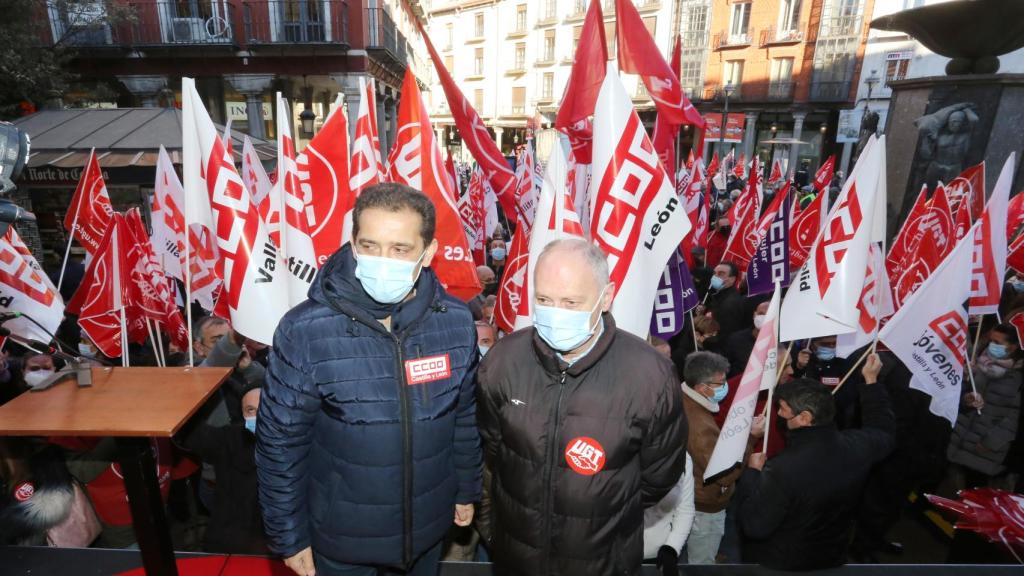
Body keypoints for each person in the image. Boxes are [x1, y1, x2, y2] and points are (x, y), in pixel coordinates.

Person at [257, 183, 481, 576]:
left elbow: (462, 417)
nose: (383, 259)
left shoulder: (457, 322)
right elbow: (279, 445)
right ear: (352, 244)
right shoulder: (305, 330)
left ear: (428, 253)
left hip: (427, 529)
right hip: (341, 541)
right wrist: (289, 534)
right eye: (370, 245)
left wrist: (465, 489)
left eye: (400, 249)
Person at [477, 238, 687, 575]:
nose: (555, 312)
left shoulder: (651, 375)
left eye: (571, 302)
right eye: (544, 299)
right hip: (516, 557)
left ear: (606, 297)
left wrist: (602, 516)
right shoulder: (503, 360)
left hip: (604, 562)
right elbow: (493, 449)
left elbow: (659, 476)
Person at [736, 354, 895, 570]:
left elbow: (754, 525)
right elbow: (882, 430)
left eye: (782, 409)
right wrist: (872, 382)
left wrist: (752, 474)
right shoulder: (857, 447)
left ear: (804, 418)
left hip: (782, 564)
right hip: (831, 559)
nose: (779, 414)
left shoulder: (782, 469)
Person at [176, 381, 267, 554]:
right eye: (250, 410)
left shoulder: (299, 443)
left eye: (264, 407)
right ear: (243, 415)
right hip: (229, 546)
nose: (258, 415)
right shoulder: (229, 439)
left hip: (278, 551)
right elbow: (189, 429)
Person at [680, 352, 743, 564]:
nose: (725, 386)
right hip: (705, 504)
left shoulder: (685, 399)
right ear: (702, 387)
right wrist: (750, 439)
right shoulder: (698, 423)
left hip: (691, 495)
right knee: (702, 563)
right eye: (721, 383)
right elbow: (723, 474)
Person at [947, 324, 1023, 488]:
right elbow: (967, 393)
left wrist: (990, 442)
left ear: (1013, 347)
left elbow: (1013, 420)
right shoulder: (982, 363)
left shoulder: (1018, 378)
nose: (991, 346)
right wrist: (967, 399)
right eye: (990, 341)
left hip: (984, 451)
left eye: (997, 342)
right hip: (961, 438)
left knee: (975, 492)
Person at [643, 453, 694, 576]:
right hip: (620, 554)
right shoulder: (622, 451)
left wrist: (671, 548)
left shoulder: (683, 458)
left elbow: (685, 510)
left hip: (662, 553)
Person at [724, 301, 769, 378]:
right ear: (754, 315)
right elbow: (725, 367)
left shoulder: (781, 342)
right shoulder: (735, 339)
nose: (764, 317)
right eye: (761, 314)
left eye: (768, 315)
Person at [703, 262, 746, 341]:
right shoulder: (717, 294)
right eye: (714, 273)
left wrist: (704, 340)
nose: (715, 277)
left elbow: (723, 335)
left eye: (721, 274)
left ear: (732, 279)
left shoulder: (730, 303)